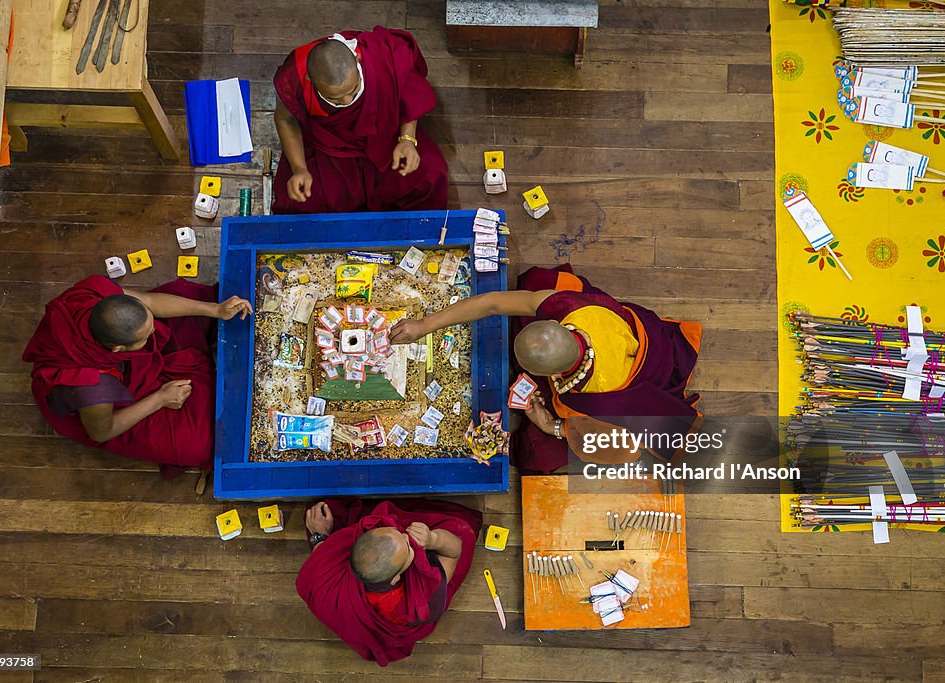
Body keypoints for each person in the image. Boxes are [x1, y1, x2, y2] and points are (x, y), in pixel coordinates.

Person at [391, 264, 703, 474]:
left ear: (554, 376)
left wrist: (549, 426)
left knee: (534, 456)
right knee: (537, 283)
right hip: (619, 335)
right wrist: (425, 325)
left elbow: (621, 450)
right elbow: (492, 304)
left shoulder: (595, 399)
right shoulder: (572, 312)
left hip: (628, 387)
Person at [22, 275, 252, 484]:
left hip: (123, 358)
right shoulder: (91, 389)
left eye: (150, 326)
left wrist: (214, 310)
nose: (156, 333)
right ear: (118, 348)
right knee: (201, 443)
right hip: (114, 403)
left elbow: (149, 302)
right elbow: (102, 432)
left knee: (183, 292)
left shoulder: (93, 295)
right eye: (147, 336)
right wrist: (160, 399)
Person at [271, 27, 448, 214]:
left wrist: (407, 140)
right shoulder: (294, 76)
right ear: (310, 80)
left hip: (384, 137)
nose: (347, 101)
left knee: (430, 173)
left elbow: (410, 94)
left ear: (357, 60)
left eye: (353, 91)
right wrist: (299, 169)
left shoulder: (380, 56)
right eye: (336, 99)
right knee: (301, 199)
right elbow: (286, 120)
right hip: (330, 148)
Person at [297, 498, 481, 666]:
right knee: (462, 530)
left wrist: (319, 536)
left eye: (396, 531)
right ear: (396, 578)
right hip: (392, 619)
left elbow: (321, 555)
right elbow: (454, 550)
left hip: (355, 622)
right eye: (409, 547)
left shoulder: (322, 574)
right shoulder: (415, 601)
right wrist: (433, 539)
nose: (408, 536)